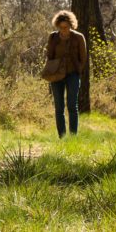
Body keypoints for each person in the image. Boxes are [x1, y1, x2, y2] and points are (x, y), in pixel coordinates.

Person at [46, 10, 87, 138]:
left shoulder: (79, 37)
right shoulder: (53, 37)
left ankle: (73, 136)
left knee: (72, 105)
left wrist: (78, 71)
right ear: (57, 25)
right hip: (56, 75)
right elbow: (49, 56)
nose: (63, 30)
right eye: (61, 27)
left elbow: (83, 57)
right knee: (59, 107)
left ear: (71, 25)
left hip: (72, 75)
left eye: (66, 27)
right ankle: (62, 137)